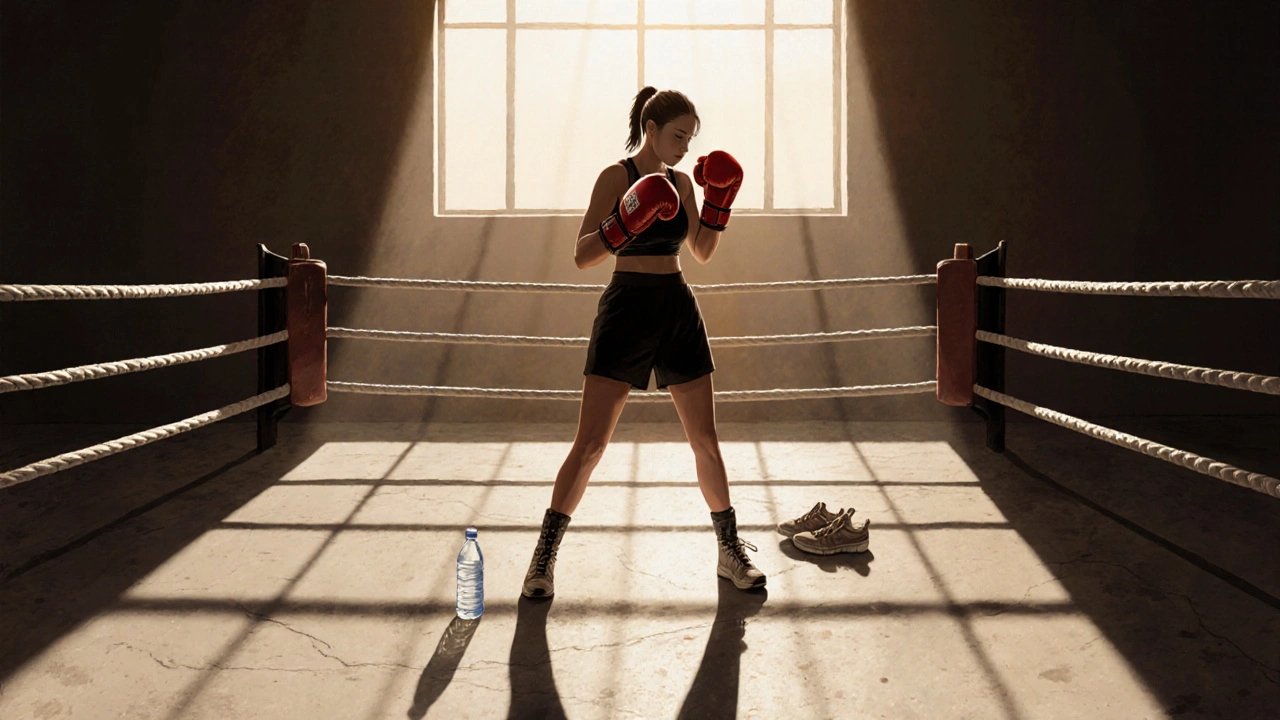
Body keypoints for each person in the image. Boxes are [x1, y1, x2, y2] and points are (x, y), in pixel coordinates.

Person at [521, 86, 764, 598]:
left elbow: (700, 251)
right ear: (650, 129)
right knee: (590, 444)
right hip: (627, 306)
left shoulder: (684, 183)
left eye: (691, 139)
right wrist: (623, 223)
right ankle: (542, 559)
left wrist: (719, 204)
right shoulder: (617, 177)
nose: (684, 148)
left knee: (706, 441)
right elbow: (583, 255)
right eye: (678, 136)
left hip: (676, 306)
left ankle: (730, 551)